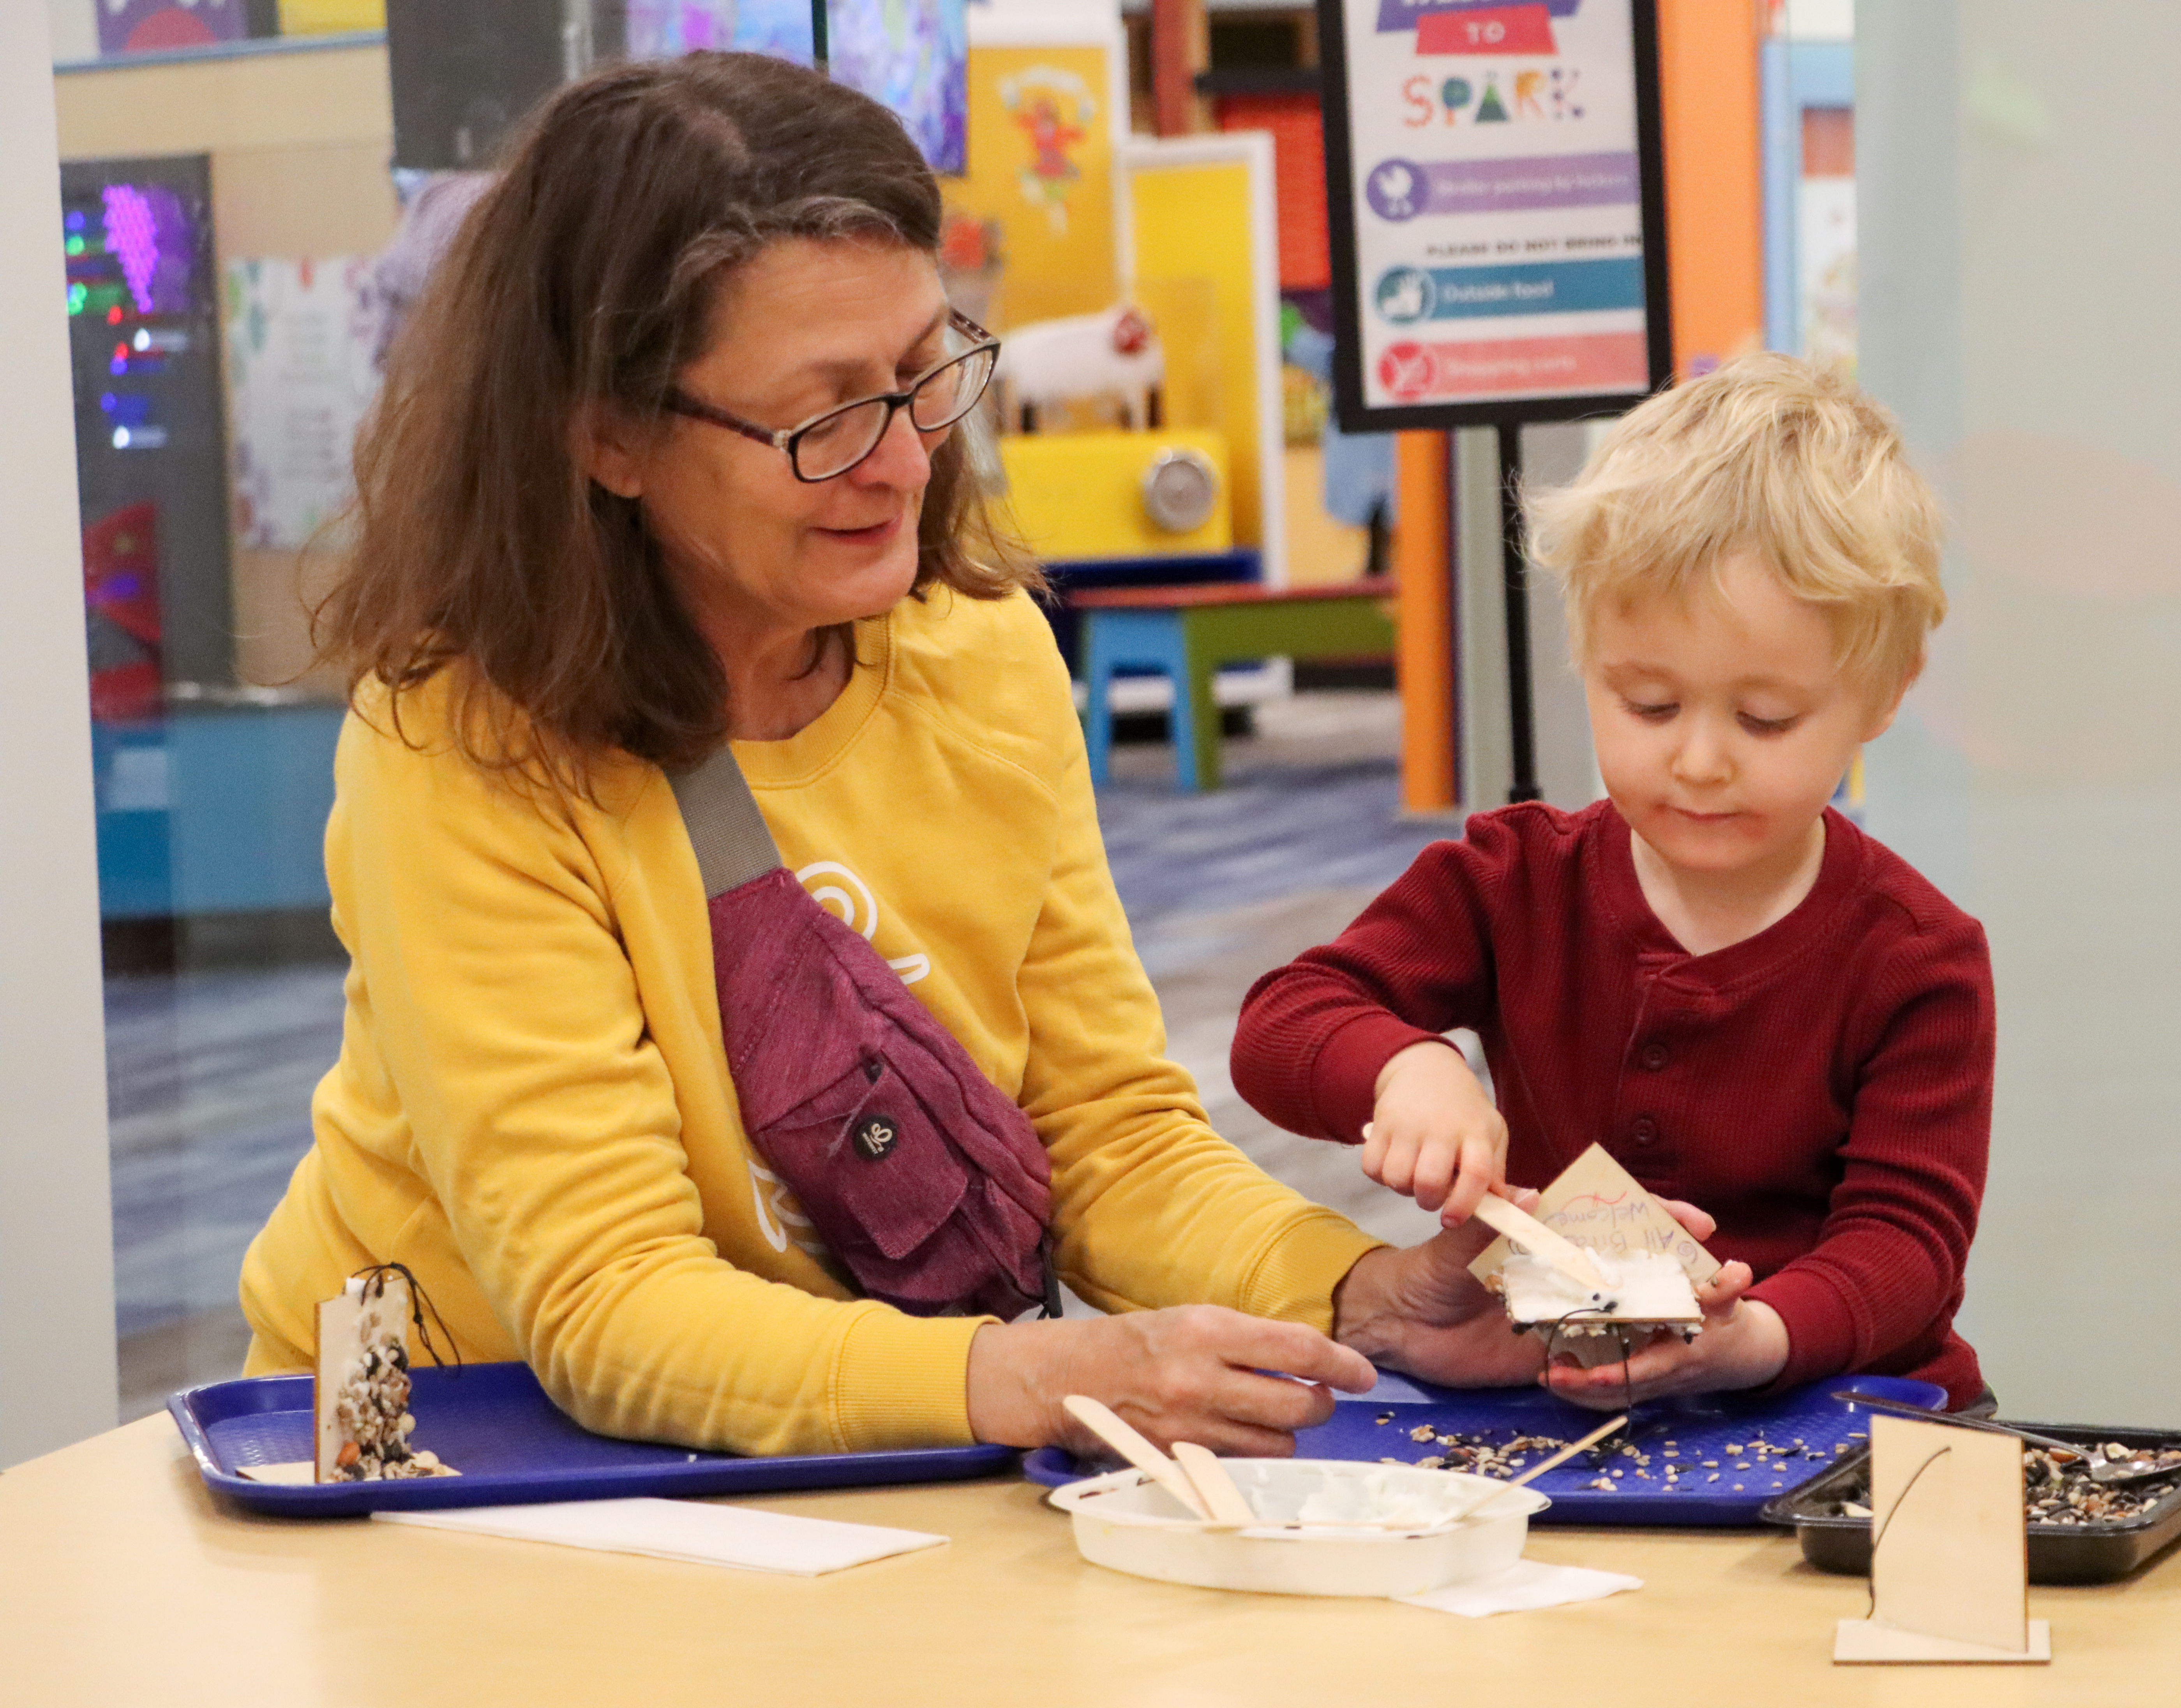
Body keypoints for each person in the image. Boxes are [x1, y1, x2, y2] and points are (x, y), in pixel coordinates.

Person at [236, 51, 1525, 1459]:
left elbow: (1104, 1130)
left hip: (826, 1442)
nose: (907, 460)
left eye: (926, 372)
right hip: (457, 1450)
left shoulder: (982, 654)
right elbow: (609, 1304)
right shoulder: (464, 750)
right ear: (608, 434)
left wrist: (1361, 1291)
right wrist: (1035, 1378)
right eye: (827, 411)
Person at [1230, 355, 1994, 1409]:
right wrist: (1407, 1070)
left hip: (1850, 1413)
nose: (1699, 761)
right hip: (1562, 1396)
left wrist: (1755, 1338)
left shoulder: (1917, 955)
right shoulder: (1514, 879)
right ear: (1587, 659)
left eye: (1765, 719)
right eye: (1648, 705)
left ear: (1882, 694)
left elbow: (1908, 1245)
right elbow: (1284, 1023)